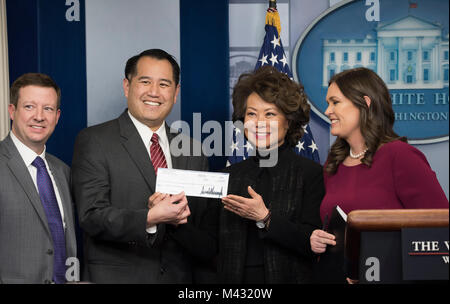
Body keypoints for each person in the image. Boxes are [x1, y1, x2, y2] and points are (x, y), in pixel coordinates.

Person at [71, 49, 216, 283]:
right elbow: (91, 216)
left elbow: (202, 230)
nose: (154, 92)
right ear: (127, 86)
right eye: (145, 81)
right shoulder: (95, 140)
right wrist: (149, 218)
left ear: (176, 92)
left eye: (164, 84)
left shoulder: (192, 150)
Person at [310, 67, 448, 280]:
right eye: (328, 103)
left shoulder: (400, 156)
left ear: (365, 102)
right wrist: (319, 239)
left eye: (335, 102)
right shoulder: (333, 163)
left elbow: (439, 229)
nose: (328, 111)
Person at [217, 66, 325, 283]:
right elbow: (209, 247)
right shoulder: (227, 176)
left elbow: (314, 243)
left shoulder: (310, 173)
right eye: (251, 114)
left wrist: (266, 218)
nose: (259, 123)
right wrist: (175, 222)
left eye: (270, 114)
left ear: (289, 121)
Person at [0, 73, 77, 284]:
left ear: (57, 116)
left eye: (48, 109)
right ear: (12, 111)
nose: (39, 116)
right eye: (29, 107)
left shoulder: (63, 171)